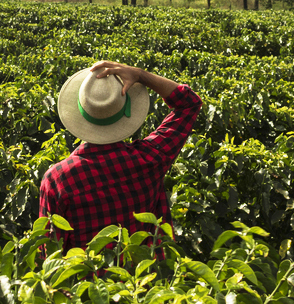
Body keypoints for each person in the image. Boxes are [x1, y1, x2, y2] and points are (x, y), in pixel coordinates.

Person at [38, 59, 202, 252]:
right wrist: (141, 75)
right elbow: (189, 104)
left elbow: (48, 251)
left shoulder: (58, 178)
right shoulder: (151, 158)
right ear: (125, 112)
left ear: (81, 113)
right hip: (144, 279)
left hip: (88, 280)